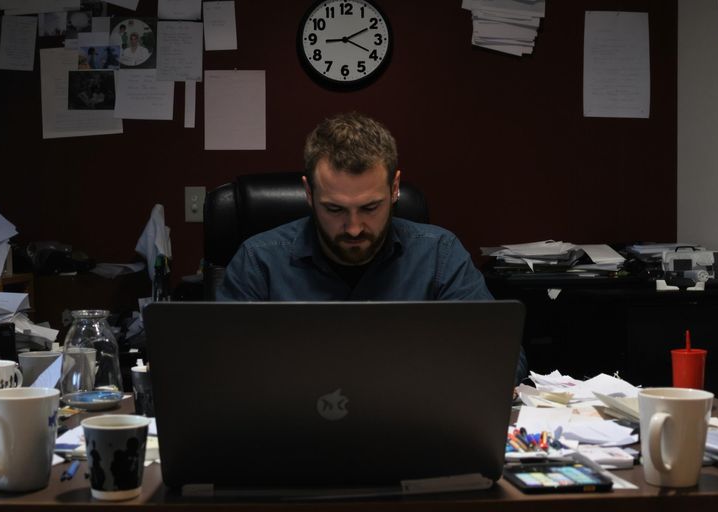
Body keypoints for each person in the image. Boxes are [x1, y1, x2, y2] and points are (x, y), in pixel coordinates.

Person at [217, 112, 528, 380]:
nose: (354, 228)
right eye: (335, 209)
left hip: (412, 429)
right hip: (292, 432)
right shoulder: (259, 260)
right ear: (309, 194)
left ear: (394, 189)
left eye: (370, 208)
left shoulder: (438, 255)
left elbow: (504, 360)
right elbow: (220, 366)